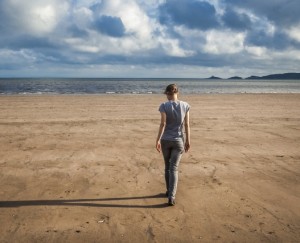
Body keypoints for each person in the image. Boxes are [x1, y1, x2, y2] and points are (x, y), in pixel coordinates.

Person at [156, 84, 190, 206]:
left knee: (167, 167)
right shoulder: (185, 105)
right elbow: (186, 125)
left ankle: (168, 191)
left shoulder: (164, 106)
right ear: (177, 93)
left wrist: (158, 140)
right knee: (174, 168)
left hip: (166, 140)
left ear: (167, 93)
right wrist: (188, 141)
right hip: (179, 141)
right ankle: (171, 196)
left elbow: (163, 124)